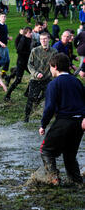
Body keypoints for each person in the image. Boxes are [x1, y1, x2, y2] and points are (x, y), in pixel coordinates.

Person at [38, 53, 84, 186]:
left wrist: (43, 124)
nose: (50, 70)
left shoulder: (54, 84)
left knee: (46, 150)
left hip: (64, 121)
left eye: (50, 67)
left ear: (55, 67)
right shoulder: (77, 81)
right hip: (79, 123)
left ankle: (54, 178)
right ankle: (76, 180)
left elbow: (50, 107)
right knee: (69, 154)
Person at [25, 32, 58, 122]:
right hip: (35, 79)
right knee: (31, 98)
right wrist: (36, 74)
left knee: (50, 98)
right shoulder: (35, 51)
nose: (43, 41)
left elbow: (56, 65)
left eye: (45, 39)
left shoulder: (54, 51)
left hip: (48, 79)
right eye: (41, 39)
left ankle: (51, 117)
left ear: (49, 39)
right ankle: (26, 118)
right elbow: (29, 65)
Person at [4, 27, 33, 101]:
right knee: (18, 80)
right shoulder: (23, 40)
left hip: (27, 63)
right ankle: (7, 95)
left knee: (34, 76)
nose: (31, 34)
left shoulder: (29, 39)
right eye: (30, 32)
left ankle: (27, 92)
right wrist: (29, 53)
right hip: (21, 62)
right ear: (26, 33)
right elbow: (19, 51)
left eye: (31, 32)